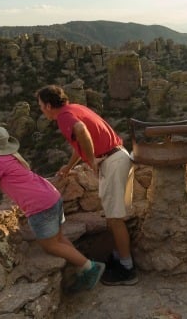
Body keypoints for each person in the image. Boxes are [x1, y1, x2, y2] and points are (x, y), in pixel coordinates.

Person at [0, 125, 105, 293]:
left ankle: (90, 268)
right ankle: (83, 265)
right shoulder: (8, 153)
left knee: (51, 246)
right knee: (59, 238)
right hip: (51, 195)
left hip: (40, 205)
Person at [36, 85, 137, 285]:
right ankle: (120, 257)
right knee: (112, 216)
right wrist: (69, 166)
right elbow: (82, 140)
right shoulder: (74, 108)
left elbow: (82, 131)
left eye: (40, 105)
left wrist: (91, 162)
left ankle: (127, 269)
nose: (40, 109)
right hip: (117, 156)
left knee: (115, 219)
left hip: (111, 161)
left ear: (48, 105)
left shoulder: (64, 117)